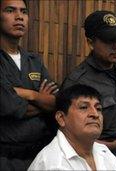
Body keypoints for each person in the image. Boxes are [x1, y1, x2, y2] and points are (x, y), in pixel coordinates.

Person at [61, 10, 116, 149]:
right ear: (90, 43)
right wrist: (109, 146)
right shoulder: (78, 81)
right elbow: (67, 134)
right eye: (109, 40)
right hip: (96, 154)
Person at [0, 0, 58, 170]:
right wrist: (42, 101)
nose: (19, 17)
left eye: (24, 12)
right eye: (10, 11)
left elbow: (57, 102)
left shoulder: (34, 61)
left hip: (40, 154)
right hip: (6, 158)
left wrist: (30, 95)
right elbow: (7, 106)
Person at [28, 84, 116, 170]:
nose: (95, 114)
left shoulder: (104, 152)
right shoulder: (54, 164)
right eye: (84, 107)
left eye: (98, 108)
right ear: (61, 118)